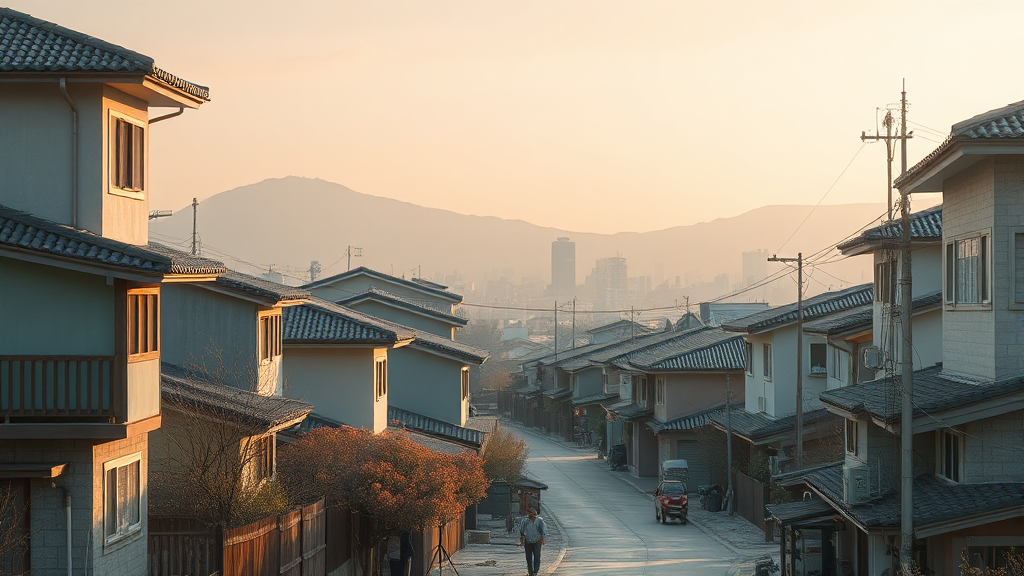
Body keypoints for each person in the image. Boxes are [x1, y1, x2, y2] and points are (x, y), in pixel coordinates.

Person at [518, 507, 546, 576]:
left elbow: (542, 532)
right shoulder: (524, 521)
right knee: (528, 558)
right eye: (530, 515)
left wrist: (542, 540)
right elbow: (521, 531)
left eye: (533, 515)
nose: (531, 517)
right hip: (528, 540)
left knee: (537, 556)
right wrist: (522, 541)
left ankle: (535, 571)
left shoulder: (539, 521)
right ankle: (530, 572)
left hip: (537, 540)